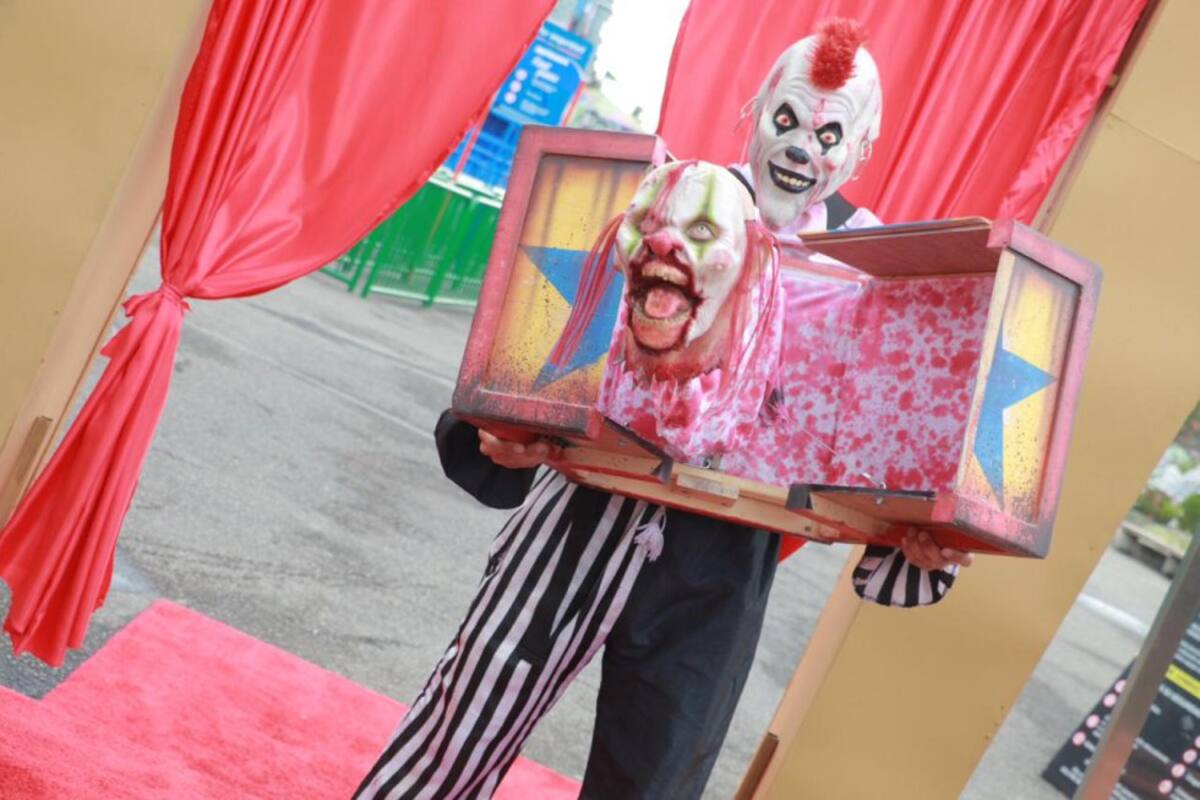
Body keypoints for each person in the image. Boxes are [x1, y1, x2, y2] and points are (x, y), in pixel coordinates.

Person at [355, 20, 971, 800]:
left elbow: (890, 434)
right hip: (584, 510)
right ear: (754, 112)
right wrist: (502, 426)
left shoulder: (873, 268)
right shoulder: (665, 197)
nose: (800, 149)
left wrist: (920, 535)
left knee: (655, 780)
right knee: (465, 721)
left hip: (722, 561)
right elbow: (549, 329)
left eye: (828, 135)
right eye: (786, 120)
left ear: (861, 150)